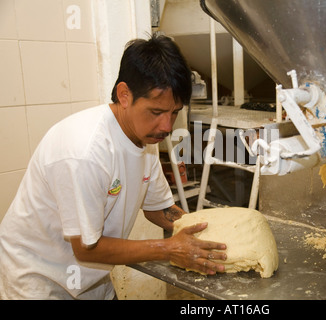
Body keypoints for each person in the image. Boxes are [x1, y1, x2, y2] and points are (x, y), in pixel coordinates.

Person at [0, 34, 227, 300]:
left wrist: (207, 235)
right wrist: (169, 248)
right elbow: (86, 248)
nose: (167, 126)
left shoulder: (146, 138)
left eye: (174, 112)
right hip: (40, 282)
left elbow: (158, 209)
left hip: (92, 281)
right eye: (156, 112)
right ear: (124, 95)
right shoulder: (85, 152)